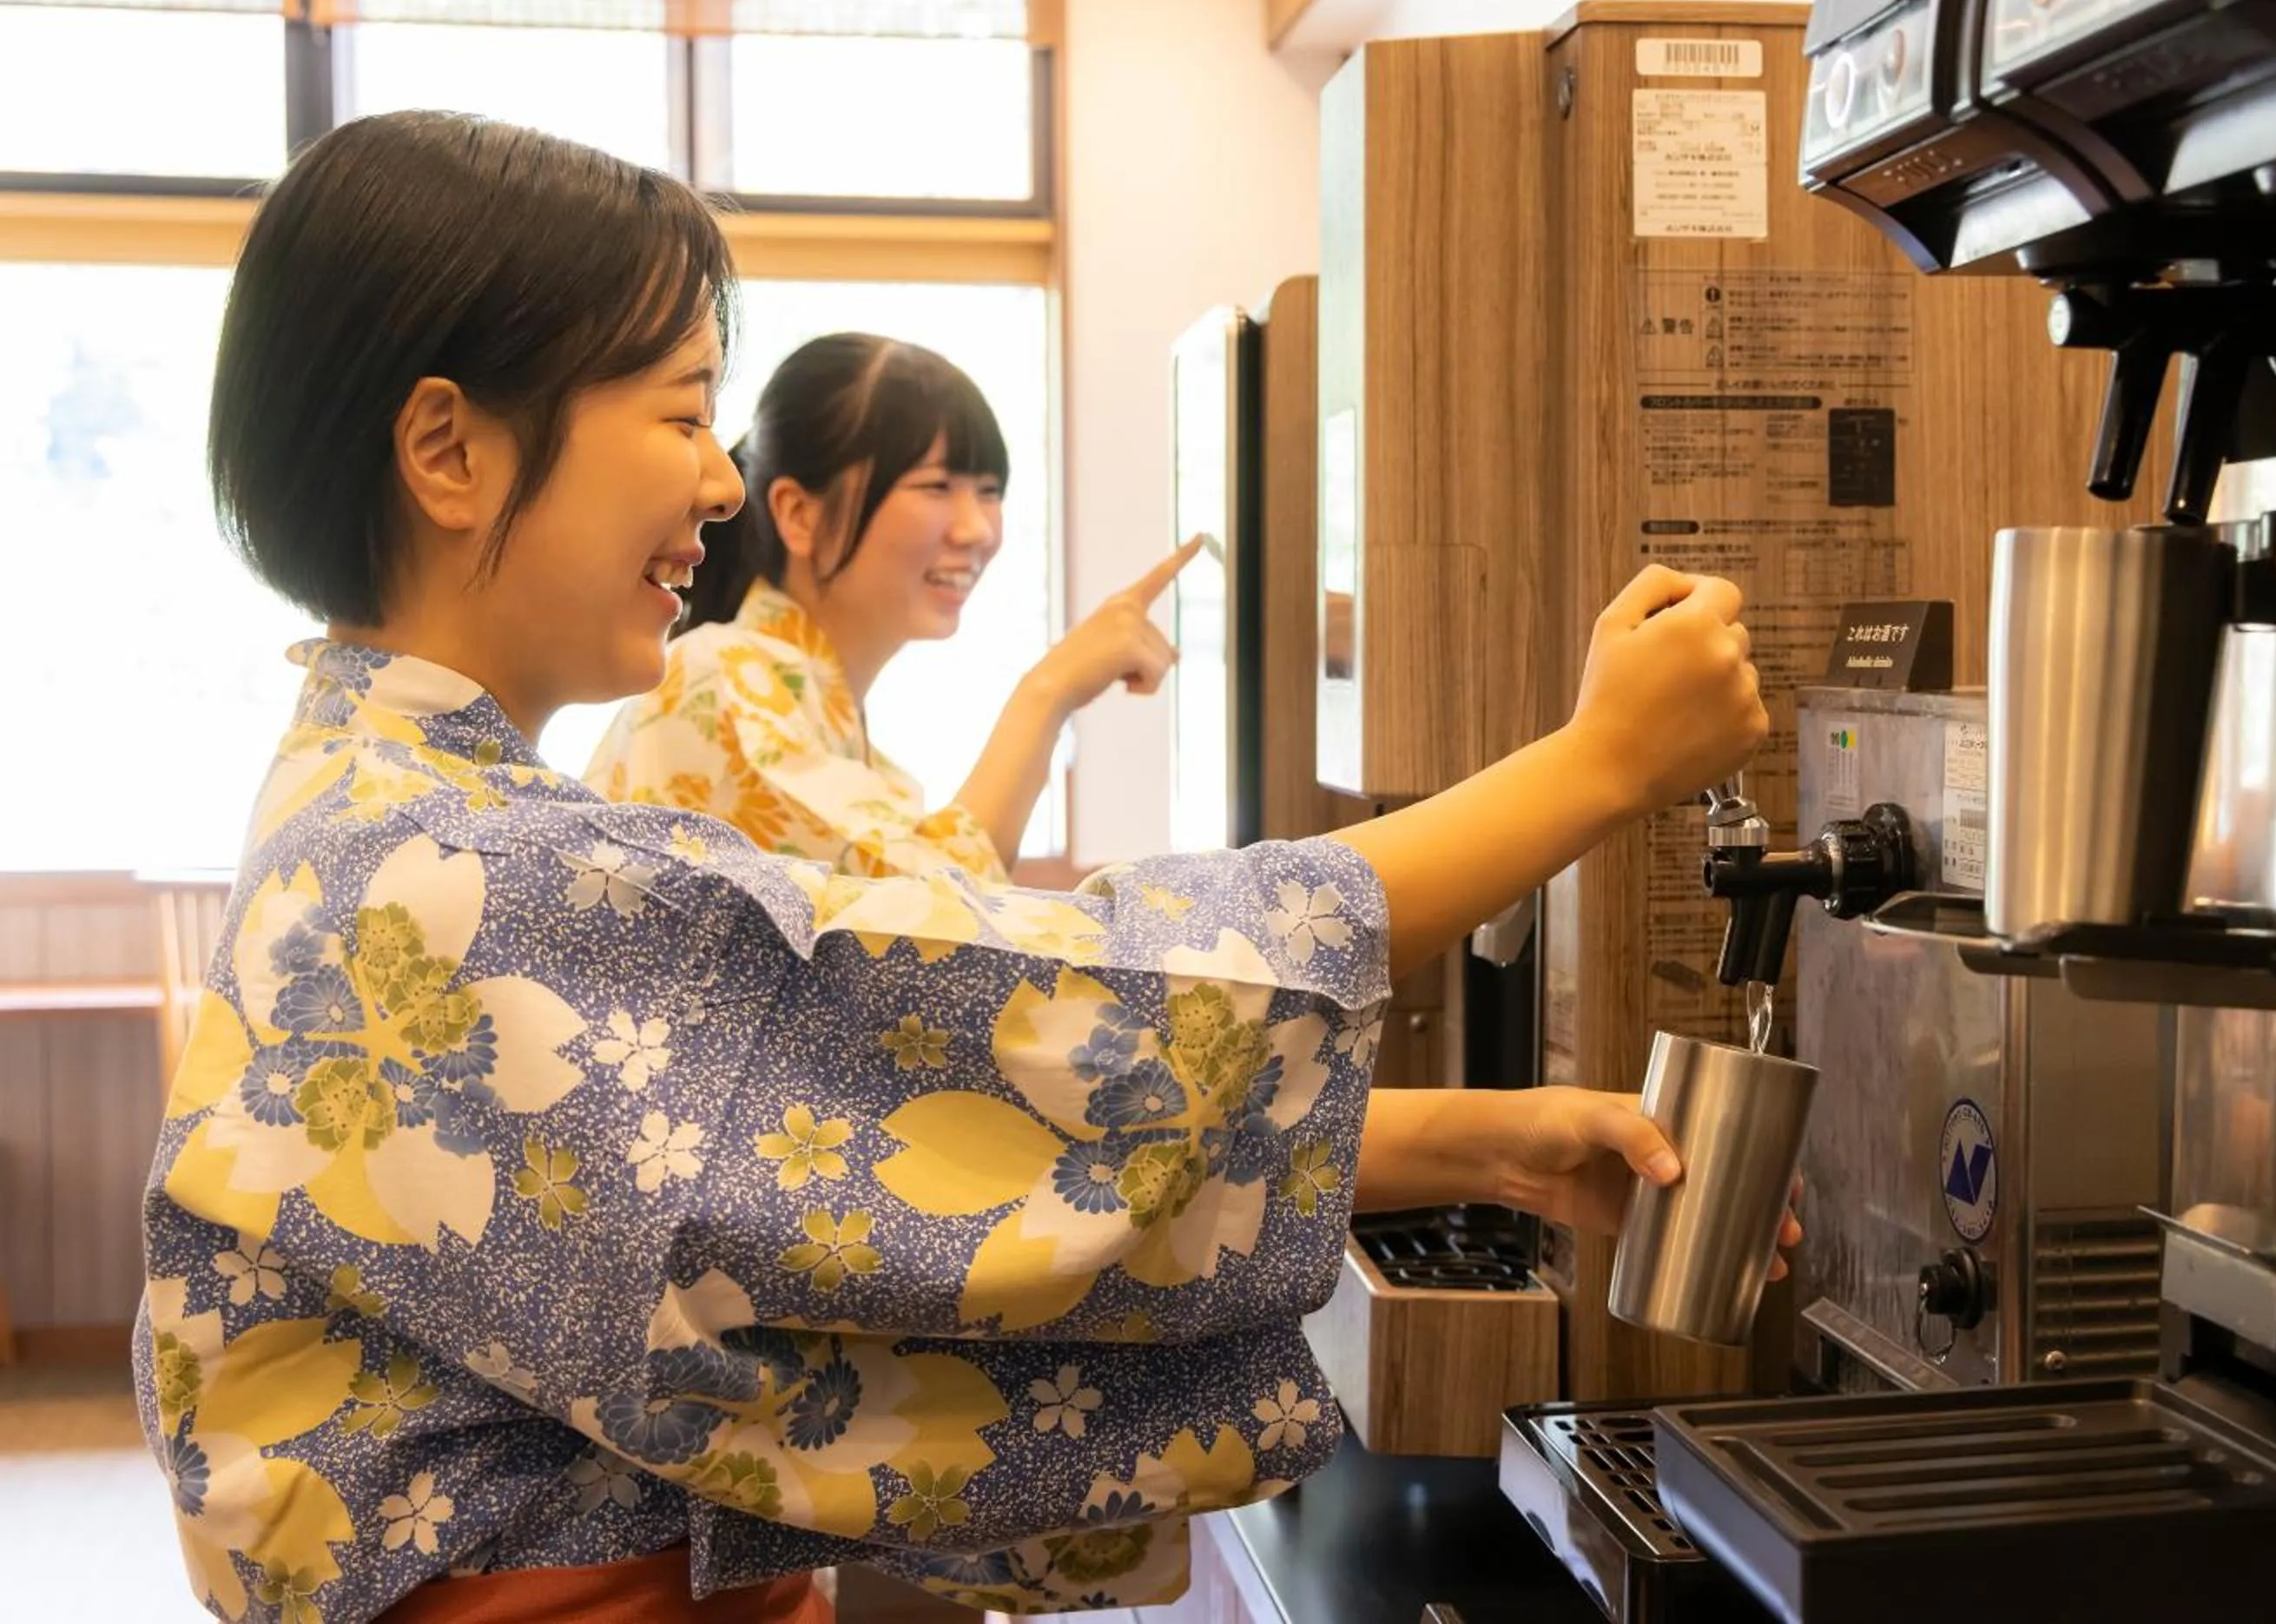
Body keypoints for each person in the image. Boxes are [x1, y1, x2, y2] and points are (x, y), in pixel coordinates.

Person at [139, 110, 1781, 1624]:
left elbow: (873, 1149)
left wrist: (1476, 1143)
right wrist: (1599, 765)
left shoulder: (393, 810)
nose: (717, 482)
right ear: (451, 451)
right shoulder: (451, 868)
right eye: (682, 410)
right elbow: (1000, 1038)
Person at [584, 333, 1185, 881]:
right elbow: (938, 914)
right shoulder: (716, 680)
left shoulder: (835, 738)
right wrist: (1050, 691)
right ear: (800, 513)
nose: (977, 528)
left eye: (989, 492)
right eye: (936, 487)